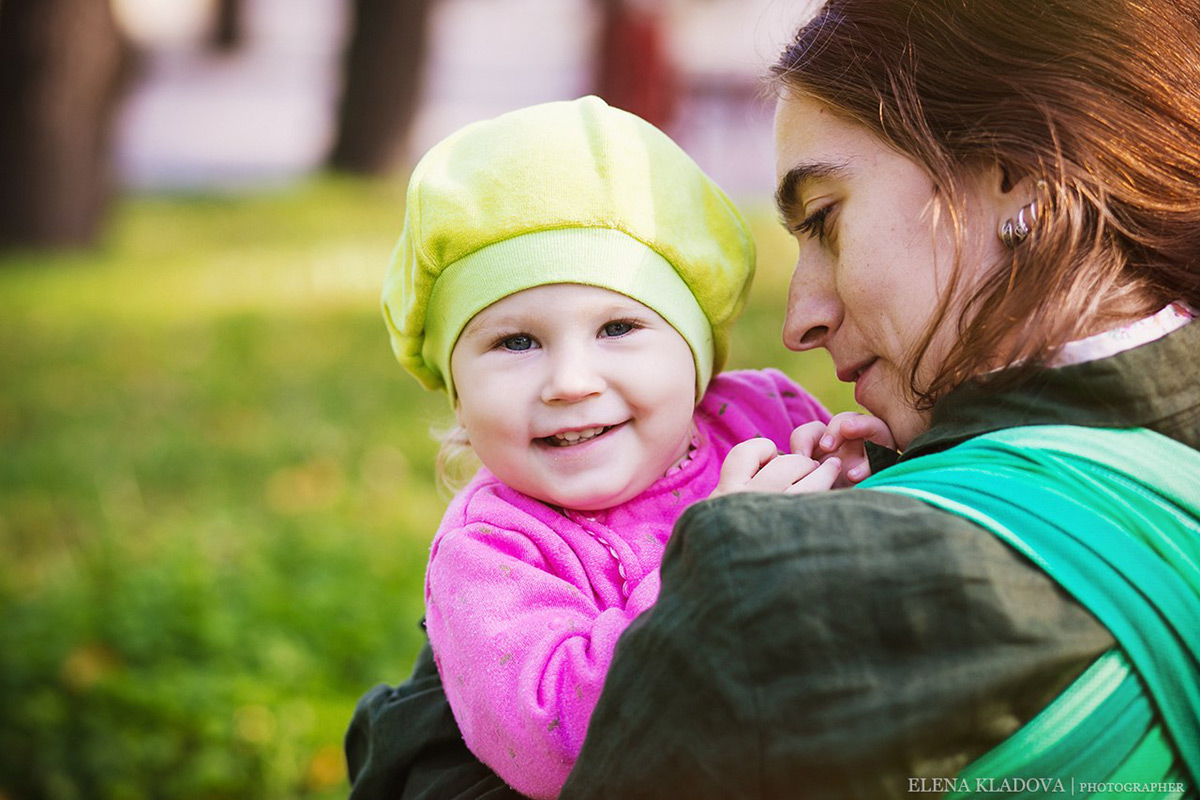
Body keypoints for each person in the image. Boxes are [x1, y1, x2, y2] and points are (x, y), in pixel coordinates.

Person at [347, 0, 1200, 793]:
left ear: (1014, 173)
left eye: (824, 217)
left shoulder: (772, 586)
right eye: (514, 342)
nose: (799, 320)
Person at [350, 96, 892, 799]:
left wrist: (866, 473)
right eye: (516, 342)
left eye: (617, 328)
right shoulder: (493, 552)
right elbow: (553, 748)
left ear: (696, 355)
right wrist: (709, 560)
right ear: (454, 387)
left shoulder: (765, 413)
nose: (571, 382)